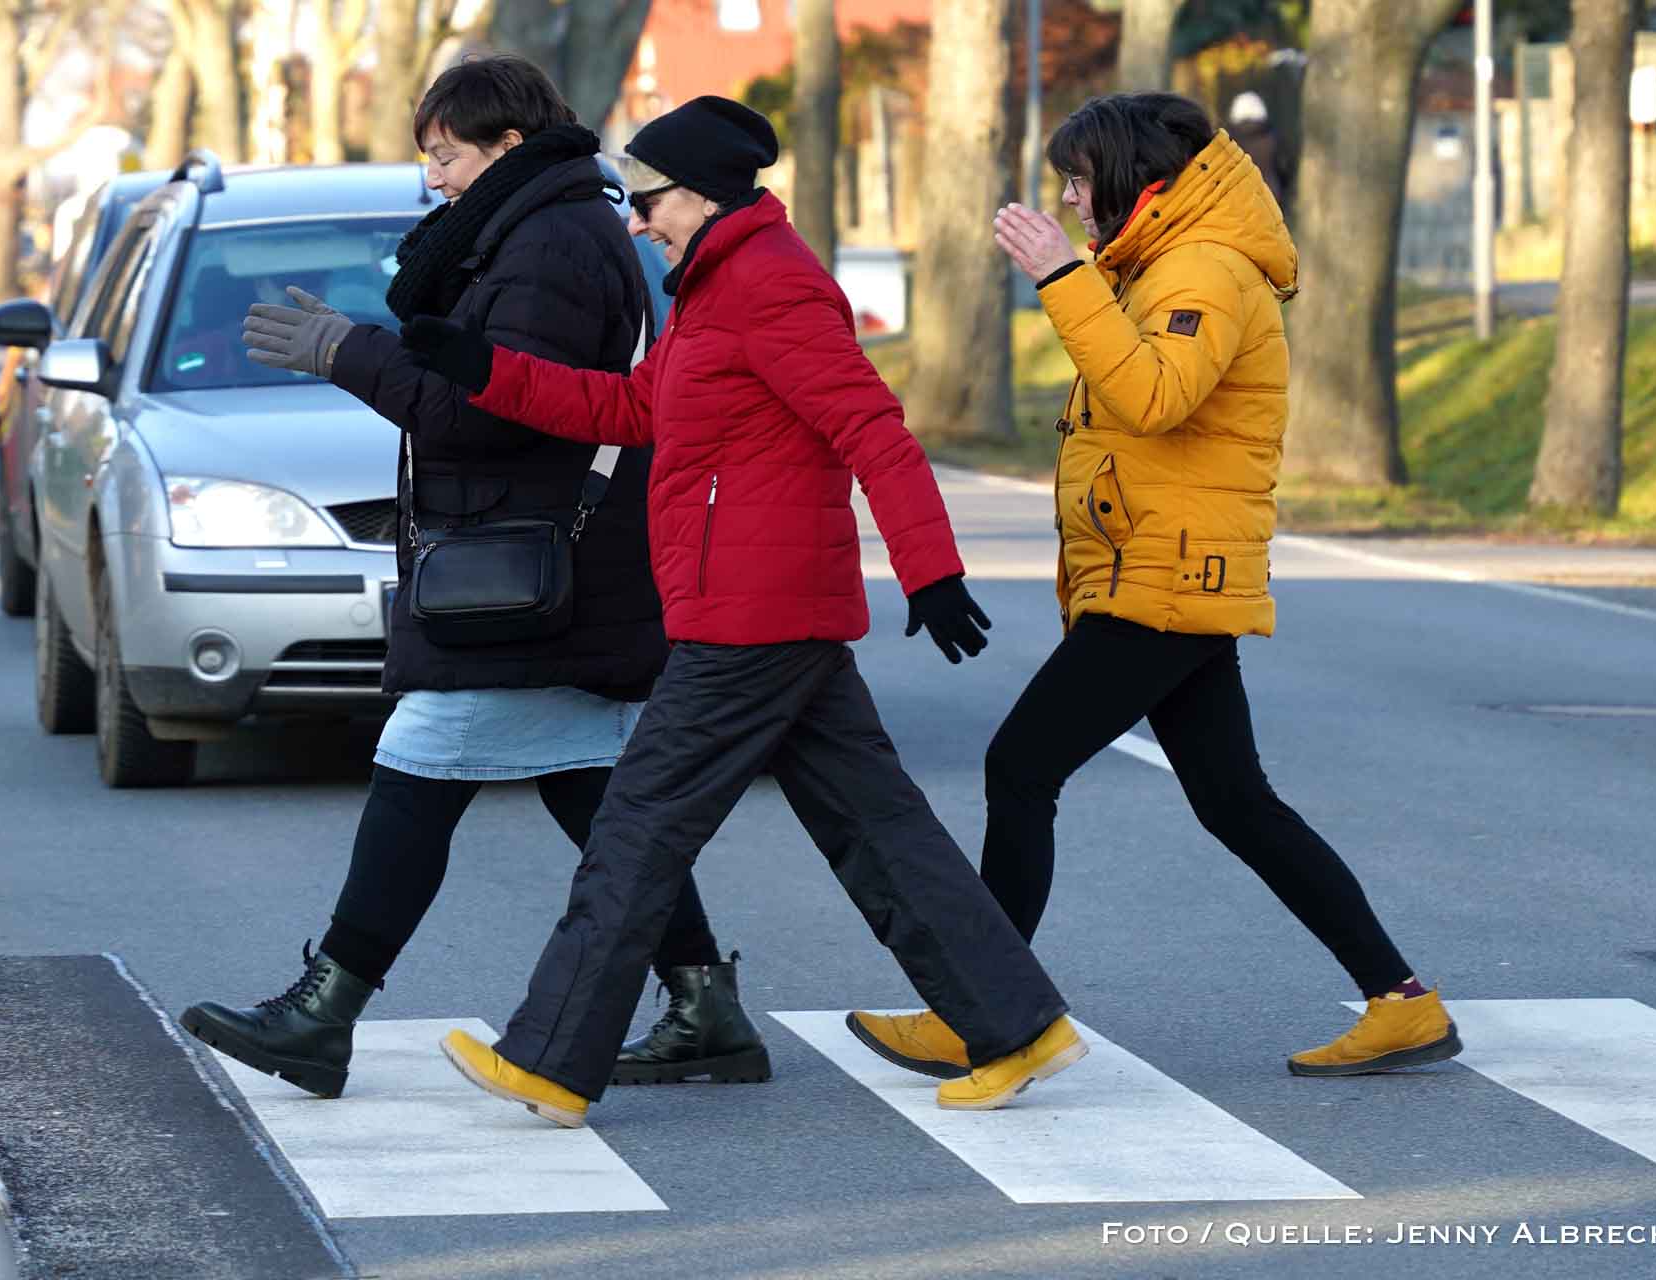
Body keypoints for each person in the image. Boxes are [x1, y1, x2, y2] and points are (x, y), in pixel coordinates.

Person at [403, 95, 1082, 1129]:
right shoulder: (713, 290)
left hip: (754, 611)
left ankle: (547, 1056)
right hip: (758, 604)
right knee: (879, 830)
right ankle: (1018, 1023)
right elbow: (629, 411)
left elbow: (872, 426)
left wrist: (930, 569)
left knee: (636, 827)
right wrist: (481, 367)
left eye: (649, 201)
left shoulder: (772, 287)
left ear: (706, 193)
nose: (635, 221)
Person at [180, 58, 769, 1099]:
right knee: (598, 793)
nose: (435, 180)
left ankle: (325, 1011)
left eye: (446, 156)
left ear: (504, 144)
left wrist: (348, 354)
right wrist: (361, 349)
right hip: (540, 554)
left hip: (530, 560)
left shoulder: (547, 241)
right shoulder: (540, 224)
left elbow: (485, 411)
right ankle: (703, 1000)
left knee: (420, 762)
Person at [849, 92, 1462, 1081]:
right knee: (1235, 802)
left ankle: (987, 1012)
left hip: (1168, 576)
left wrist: (1062, 277)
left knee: (1020, 766)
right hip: (1162, 568)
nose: (1070, 200)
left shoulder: (1207, 269)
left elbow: (1154, 395)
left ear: (1146, 180)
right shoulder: (1160, 266)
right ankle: (1404, 1003)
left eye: (1082, 180)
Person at [1227, 91, 1293, 213]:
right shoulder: (1273, 139)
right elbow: (1284, 168)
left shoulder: (1227, 142)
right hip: (1270, 201)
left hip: (1235, 203)